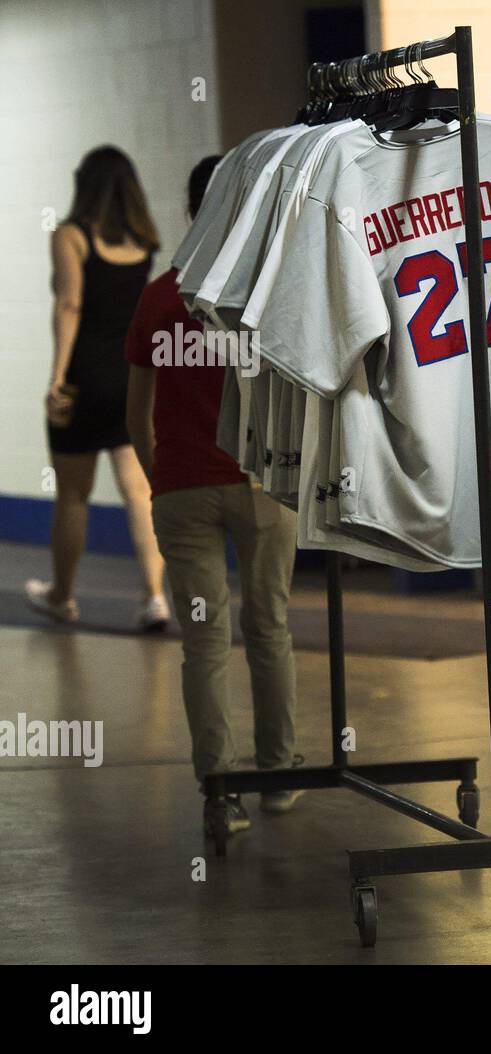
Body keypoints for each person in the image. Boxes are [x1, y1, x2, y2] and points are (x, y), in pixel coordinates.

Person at [125, 156, 301, 839]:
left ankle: (221, 794)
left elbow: (137, 416)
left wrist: (159, 477)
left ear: (191, 212)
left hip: (184, 492)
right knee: (270, 629)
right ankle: (281, 779)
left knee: (204, 645)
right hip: (261, 487)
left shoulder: (159, 299)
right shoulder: (263, 296)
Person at [25, 146, 170, 630]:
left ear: (83, 185)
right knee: (141, 492)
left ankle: (62, 597)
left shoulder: (71, 236)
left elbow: (69, 306)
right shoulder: (144, 242)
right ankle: (154, 598)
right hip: (132, 375)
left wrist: (57, 379)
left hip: (86, 376)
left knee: (73, 495)